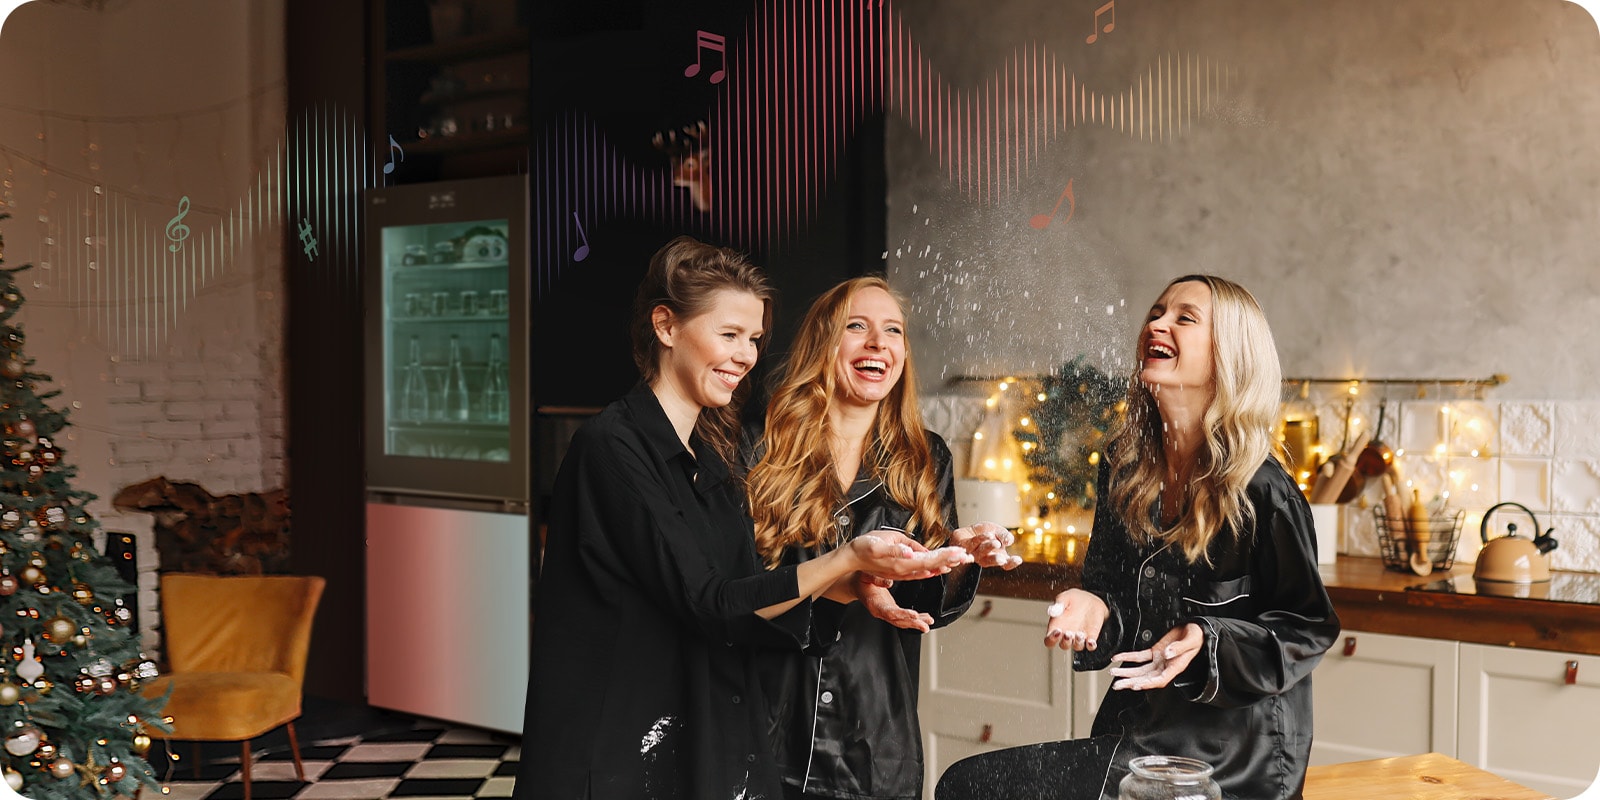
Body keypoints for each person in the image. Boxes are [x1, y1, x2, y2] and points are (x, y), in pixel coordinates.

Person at [515, 239, 973, 800]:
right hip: (612, 755)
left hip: (690, 743)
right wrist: (846, 561)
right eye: (728, 335)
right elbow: (710, 603)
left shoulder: (706, 460)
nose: (746, 355)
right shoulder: (613, 448)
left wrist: (850, 588)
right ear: (665, 326)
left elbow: (740, 601)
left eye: (753, 339)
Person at [1042, 274, 1340, 800]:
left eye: (1184, 318)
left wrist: (1208, 637)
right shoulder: (1123, 465)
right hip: (1133, 733)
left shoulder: (1263, 490)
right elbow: (1115, 600)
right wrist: (1094, 608)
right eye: (1157, 312)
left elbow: (1307, 628)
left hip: (1232, 761)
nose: (1157, 323)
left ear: (1230, 354)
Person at [744, 275, 1021, 800]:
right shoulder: (758, 444)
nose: (878, 343)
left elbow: (922, 609)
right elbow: (734, 593)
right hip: (766, 725)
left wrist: (957, 557)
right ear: (824, 343)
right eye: (857, 327)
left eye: (893, 330)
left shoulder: (924, 456)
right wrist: (845, 578)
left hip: (873, 739)